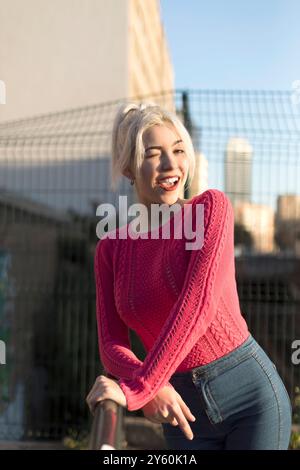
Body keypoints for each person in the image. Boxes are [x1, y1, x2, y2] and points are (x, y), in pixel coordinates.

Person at [86, 102, 292, 450]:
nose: (171, 165)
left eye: (178, 150)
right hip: (182, 413)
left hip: (251, 400)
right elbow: (111, 346)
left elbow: (198, 305)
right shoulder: (111, 248)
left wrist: (138, 388)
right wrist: (154, 385)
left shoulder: (211, 209)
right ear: (128, 167)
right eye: (154, 154)